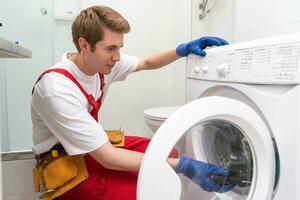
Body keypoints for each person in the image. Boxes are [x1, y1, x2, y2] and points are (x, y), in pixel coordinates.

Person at [31, 5, 233, 200]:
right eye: (111, 48)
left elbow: (146, 62)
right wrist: (184, 166)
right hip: (64, 161)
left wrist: (183, 50)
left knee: (166, 152)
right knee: (144, 191)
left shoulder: (100, 63)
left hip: (91, 149)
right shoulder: (56, 89)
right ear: (84, 45)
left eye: (119, 47)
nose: (117, 57)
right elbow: (108, 157)